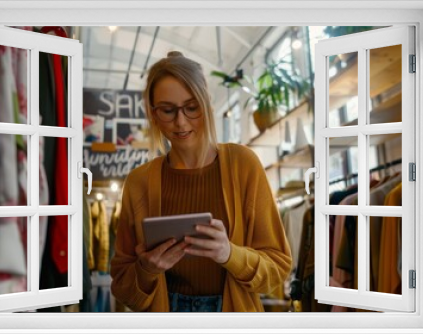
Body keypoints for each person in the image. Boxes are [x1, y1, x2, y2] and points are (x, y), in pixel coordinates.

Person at [110, 51, 292, 312]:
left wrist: (229, 254)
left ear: (207, 104)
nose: (181, 122)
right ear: (153, 113)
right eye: (168, 110)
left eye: (191, 107)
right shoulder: (139, 182)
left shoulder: (244, 165)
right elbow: (122, 288)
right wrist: (147, 269)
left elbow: (277, 270)